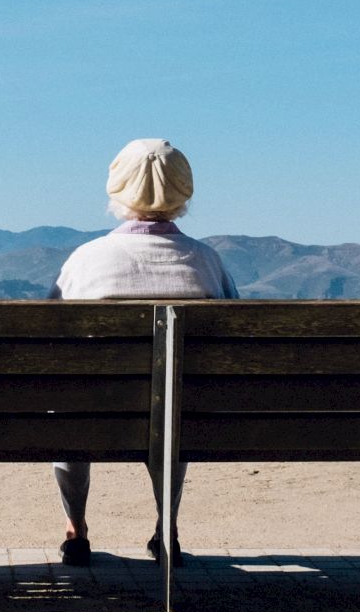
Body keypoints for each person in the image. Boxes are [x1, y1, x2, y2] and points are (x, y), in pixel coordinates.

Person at [48, 138, 238, 568]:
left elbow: (51, 344)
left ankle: (76, 531)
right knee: (172, 407)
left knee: (68, 409)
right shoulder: (207, 262)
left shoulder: (86, 260)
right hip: (182, 416)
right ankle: (165, 527)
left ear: (116, 190)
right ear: (183, 191)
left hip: (94, 415)